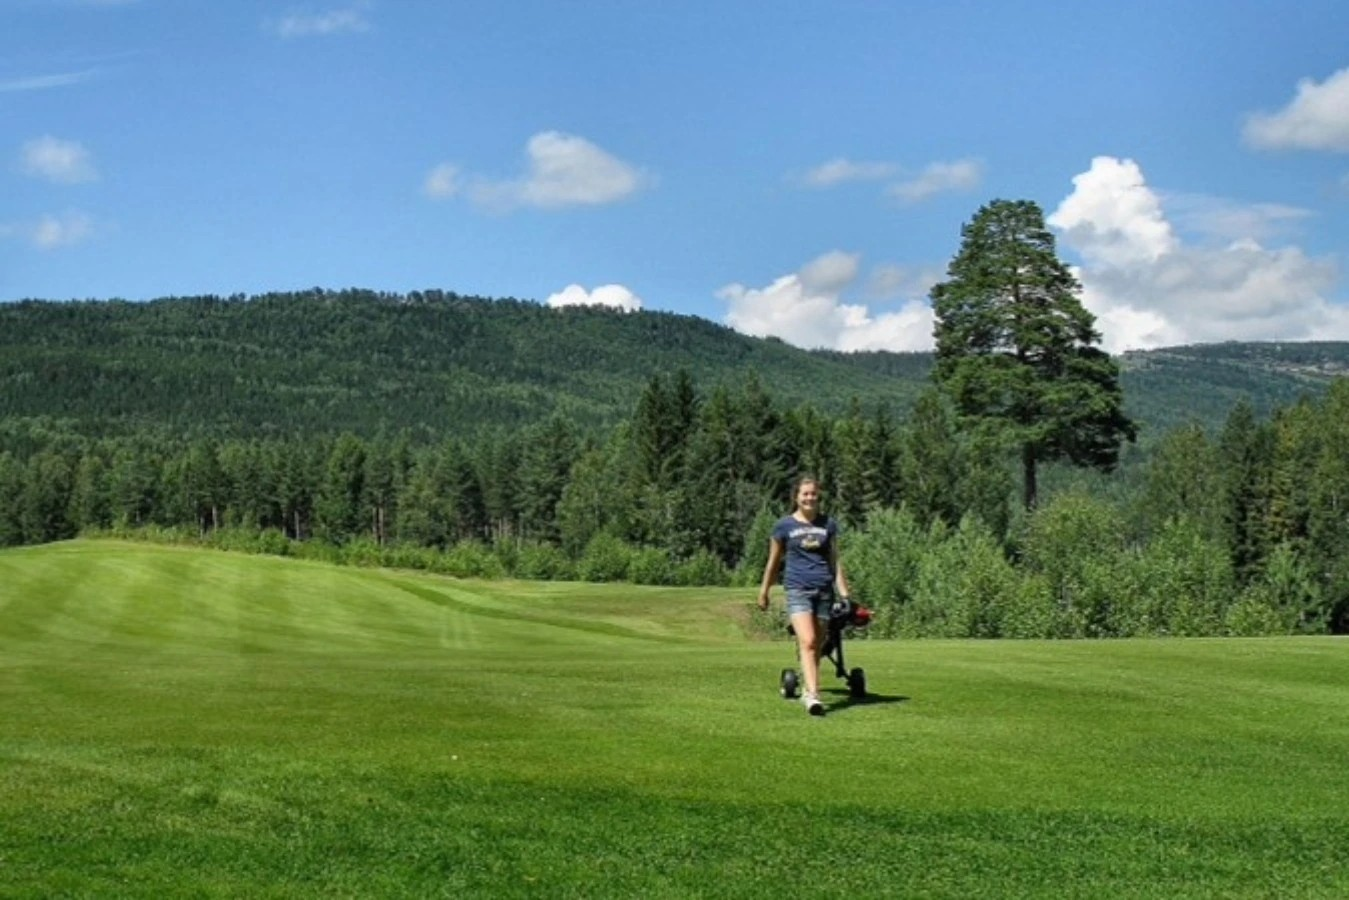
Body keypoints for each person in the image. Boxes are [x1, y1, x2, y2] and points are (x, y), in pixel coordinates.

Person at [757, 475, 851, 716]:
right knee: (808, 641)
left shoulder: (828, 525)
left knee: (817, 644)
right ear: (796, 497)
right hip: (798, 589)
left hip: (823, 590)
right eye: (805, 494)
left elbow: (834, 561)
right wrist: (764, 591)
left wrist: (844, 593)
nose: (810, 498)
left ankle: (809, 683)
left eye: (813, 494)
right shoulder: (784, 526)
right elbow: (774, 561)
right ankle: (812, 695)